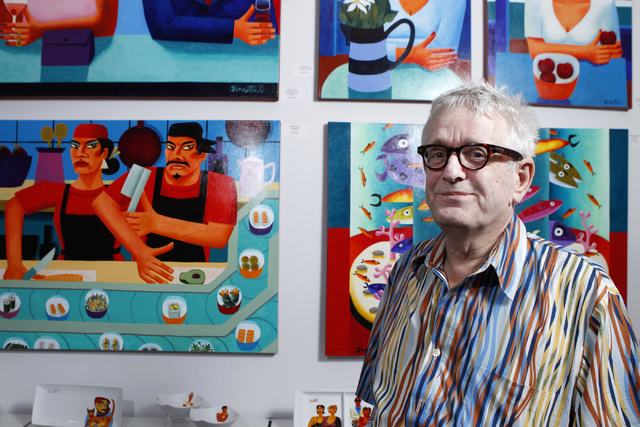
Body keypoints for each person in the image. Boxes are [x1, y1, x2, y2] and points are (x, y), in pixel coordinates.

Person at [356, 81, 640, 425]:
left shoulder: (587, 293)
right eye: (437, 153)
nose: (451, 171)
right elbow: (374, 405)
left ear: (520, 179)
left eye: (477, 154)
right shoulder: (407, 269)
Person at [92, 121, 237, 284]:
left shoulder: (221, 184)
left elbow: (219, 236)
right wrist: (139, 250)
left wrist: (156, 223)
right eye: (171, 147)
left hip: (194, 275)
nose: (177, 155)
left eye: (187, 147)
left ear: (201, 154)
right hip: (146, 273)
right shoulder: (141, 176)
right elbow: (102, 204)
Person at [4, 123, 121, 280]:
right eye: (75, 145)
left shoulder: (116, 193)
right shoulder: (59, 191)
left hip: (111, 272)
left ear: (104, 152)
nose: (80, 153)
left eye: (90, 146)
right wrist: (14, 264)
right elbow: (13, 206)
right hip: (67, 272)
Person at [525, 0, 623, 65]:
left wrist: (547, 48)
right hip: (546, 77)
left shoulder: (604, 4)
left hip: (593, 78)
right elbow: (534, 49)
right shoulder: (535, 2)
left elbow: (614, 53)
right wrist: (585, 52)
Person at [141, 0, 276, 45]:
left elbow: (266, 32)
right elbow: (162, 26)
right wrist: (232, 29)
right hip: (173, 69)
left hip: (241, 67)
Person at [0, 0, 118, 47]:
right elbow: (7, 21)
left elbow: (106, 26)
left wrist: (40, 30)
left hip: (83, 51)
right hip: (22, 50)